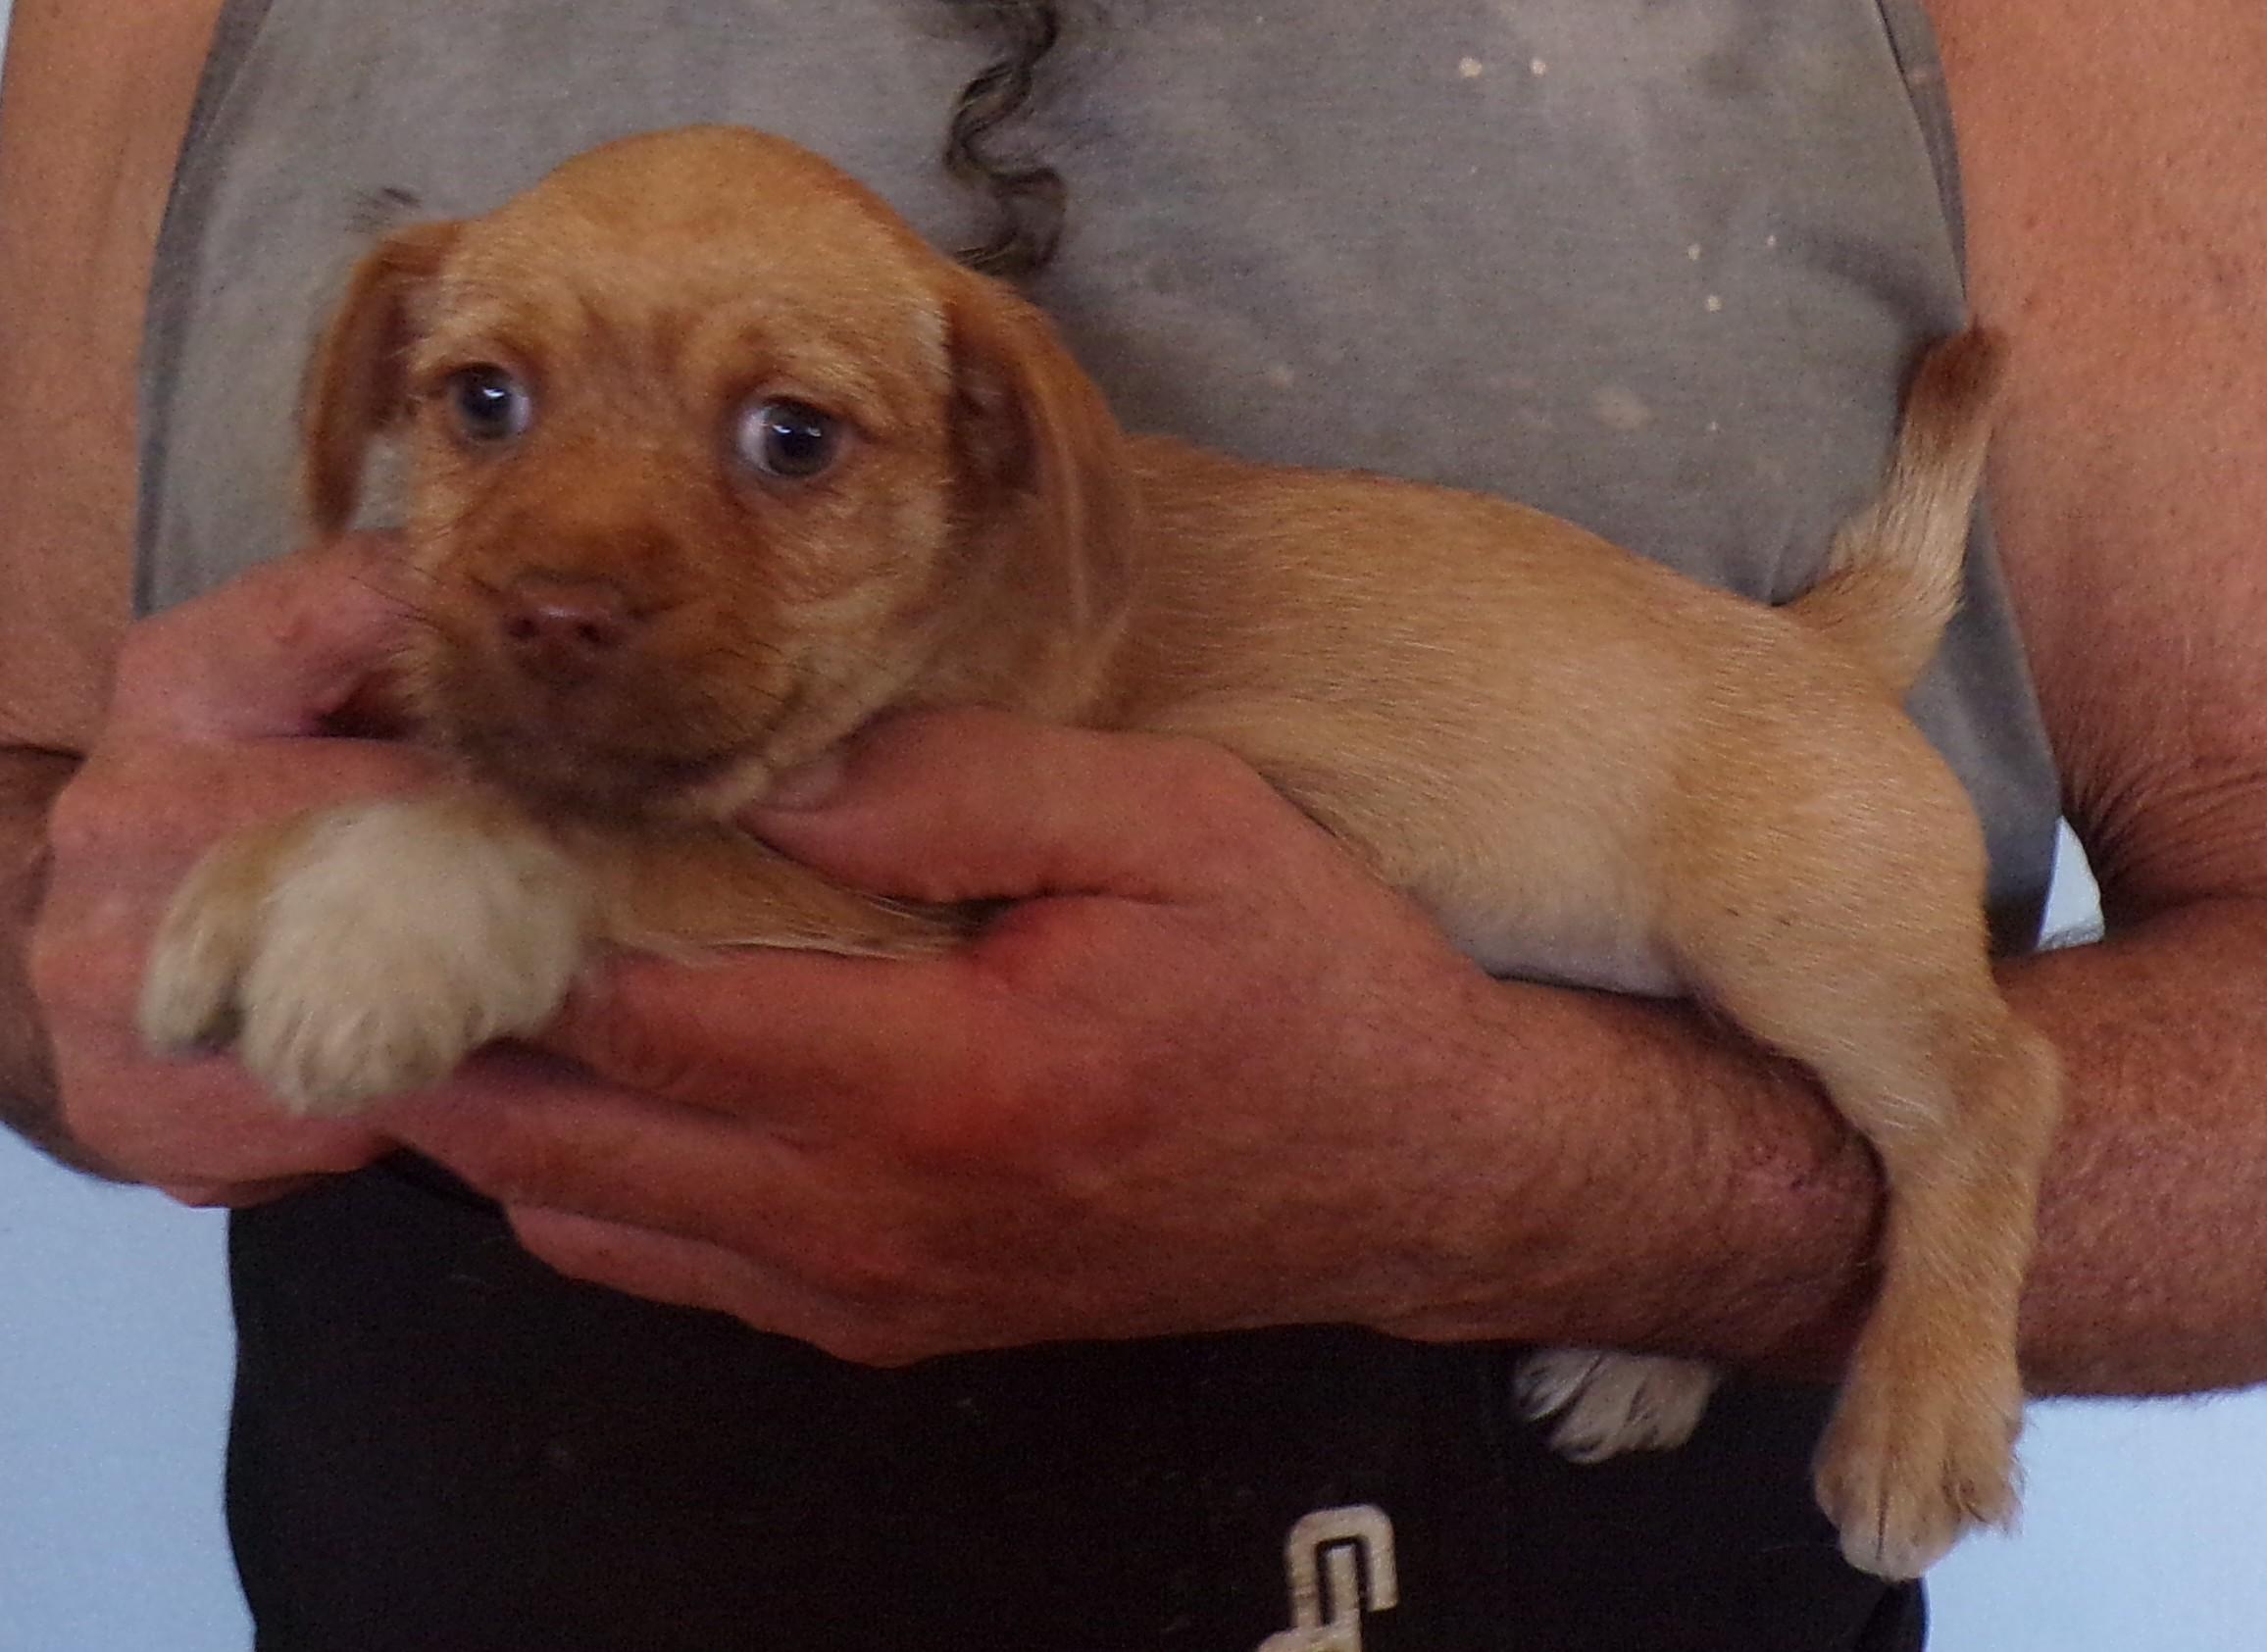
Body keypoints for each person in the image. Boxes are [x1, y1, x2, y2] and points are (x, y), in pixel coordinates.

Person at [4, 1, 2263, 1647]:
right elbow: (22, 802)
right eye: (480, 405)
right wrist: (60, 959)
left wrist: (1589, 1192)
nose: (576, 570)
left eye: (793, 442)